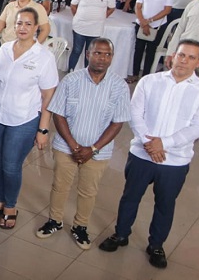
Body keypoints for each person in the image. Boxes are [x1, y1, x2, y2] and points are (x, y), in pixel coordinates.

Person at [99, 39, 199, 269]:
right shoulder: (150, 81)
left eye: (191, 57)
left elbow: (198, 128)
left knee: (165, 204)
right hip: (141, 154)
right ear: (173, 55)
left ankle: (156, 245)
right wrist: (150, 144)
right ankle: (120, 235)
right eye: (181, 55)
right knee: (130, 197)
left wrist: (164, 144)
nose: (184, 61)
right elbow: (135, 113)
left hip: (175, 161)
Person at [36, 38, 130, 249]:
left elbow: (118, 122)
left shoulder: (119, 86)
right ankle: (55, 221)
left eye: (107, 54)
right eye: (98, 53)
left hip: (98, 152)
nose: (102, 58)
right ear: (88, 54)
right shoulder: (71, 80)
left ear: (112, 58)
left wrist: (93, 149)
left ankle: (80, 226)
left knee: (88, 191)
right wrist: (74, 146)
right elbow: (58, 114)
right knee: (60, 186)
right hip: (65, 147)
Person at [0, 7, 58, 230]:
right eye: (18, 23)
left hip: (23, 120)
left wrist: (43, 129)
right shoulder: (5, 49)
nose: (22, 28)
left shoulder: (44, 57)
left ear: (36, 27)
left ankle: (10, 206)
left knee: (11, 165)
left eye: (27, 24)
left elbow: (48, 96)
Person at [129, 0, 174, 83]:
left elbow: (167, 10)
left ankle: (145, 76)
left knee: (150, 51)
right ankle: (134, 74)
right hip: (141, 24)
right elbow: (138, 6)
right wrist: (143, 22)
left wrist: (150, 21)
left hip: (157, 25)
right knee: (138, 49)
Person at [68, 0, 116, 72]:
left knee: (90, 53)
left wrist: (102, 16)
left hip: (96, 29)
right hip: (80, 27)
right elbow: (73, 5)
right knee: (76, 51)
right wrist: (79, 16)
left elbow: (111, 8)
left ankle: (87, 74)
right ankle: (70, 72)